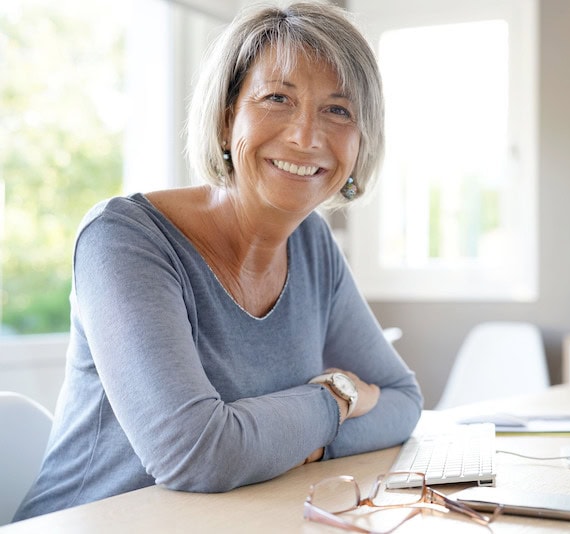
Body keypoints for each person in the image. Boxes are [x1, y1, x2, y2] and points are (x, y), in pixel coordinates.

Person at [14, 1, 423, 521]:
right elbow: (195, 454)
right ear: (229, 115)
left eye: (338, 110)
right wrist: (337, 396)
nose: (306, 135)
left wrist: (305, 445)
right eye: (277, 98)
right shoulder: (123, 240)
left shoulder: (314, 246)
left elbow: (403, 401)